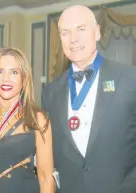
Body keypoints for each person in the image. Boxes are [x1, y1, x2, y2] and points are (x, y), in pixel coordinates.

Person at [42, 5, 136, 193]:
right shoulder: (50, 92)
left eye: (81, 29)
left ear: (97, 32)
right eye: (65, 33)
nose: (73, 39)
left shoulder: (130, 79)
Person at [0, 47, 54, 193]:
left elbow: (46, 178)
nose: (5, 78)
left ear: (24, 78)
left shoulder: (37, 119)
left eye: (14, 72)